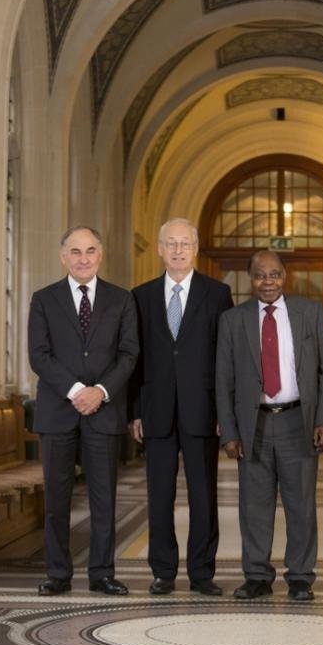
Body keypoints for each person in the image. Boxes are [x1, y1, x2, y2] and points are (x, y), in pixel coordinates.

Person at [216, 250, 323, 602]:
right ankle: (256, 576)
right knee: (254, 506)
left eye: (275, 274)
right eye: (260, 275)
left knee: (301, 505)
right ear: (250, 279)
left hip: (299, 421)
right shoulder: (232, 320)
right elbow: (223, 380)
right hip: (254, 424)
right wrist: (229, 432)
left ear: (285, 276)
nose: (268, 282)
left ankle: (300, 577)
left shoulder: (310, 313)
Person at [28, 226, 139, 596]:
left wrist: (100, 392)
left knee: (103, 498)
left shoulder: (121, 299)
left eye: (90, 250)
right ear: (63, 257)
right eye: (75, 252)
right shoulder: (44, 299)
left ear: (100, 255)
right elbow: (39, 355)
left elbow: (129, 354)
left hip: (104, 411)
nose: (83, 258)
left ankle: (102, 573)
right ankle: (58, 573)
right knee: (56, 499)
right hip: (58, 411)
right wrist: (77, 391)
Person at [129, 218, 233, 596]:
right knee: (159, 495)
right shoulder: (140, 296)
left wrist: (224, 411)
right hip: (156, 410)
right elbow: (134, 359)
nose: (177, 250)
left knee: (203, 495)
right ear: (159, 249)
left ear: (195, 248)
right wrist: (136, 410)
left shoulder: (217, 293)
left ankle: (202, 573)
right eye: (170, 243)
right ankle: (163, 571)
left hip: (203, 410)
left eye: (184, 243)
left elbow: (226, 357)